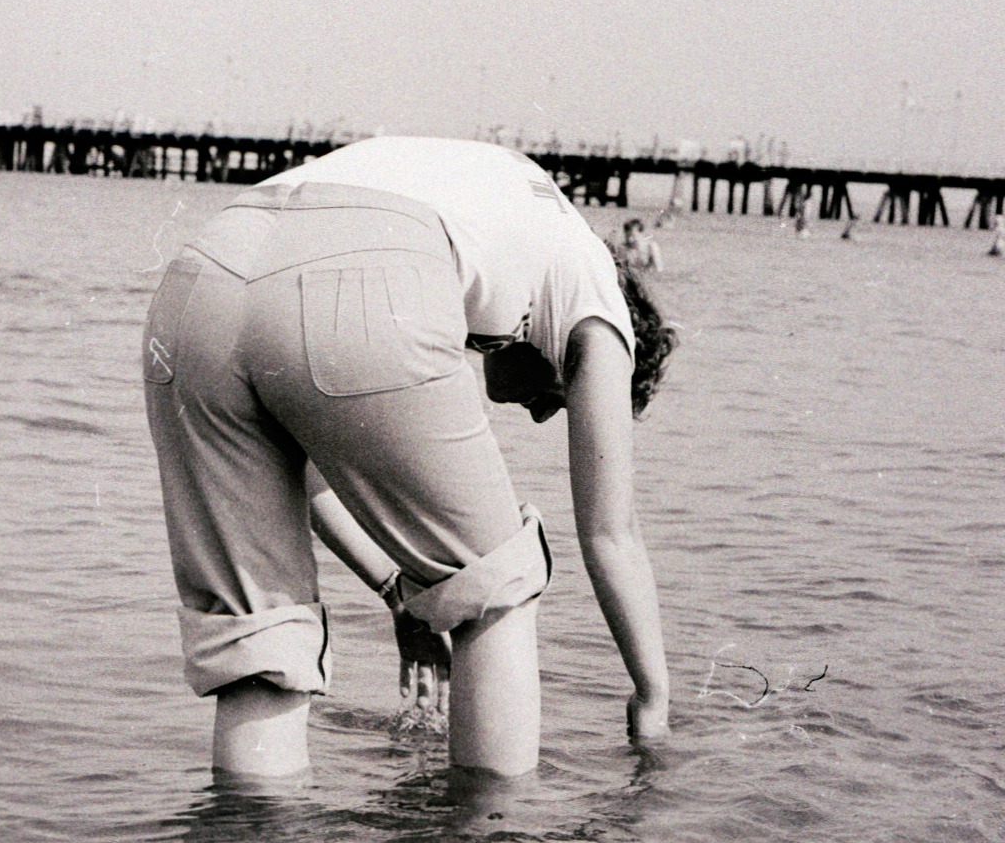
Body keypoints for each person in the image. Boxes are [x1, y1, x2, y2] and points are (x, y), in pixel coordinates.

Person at [142, 136, 677, 780]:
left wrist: (398, 590)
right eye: (560, 402)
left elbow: (306, 477)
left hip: (200, 280)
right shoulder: (600, 299)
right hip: (370, 265)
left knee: (262, 643)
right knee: (497, 593)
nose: (540, 414)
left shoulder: (499, 222)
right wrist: (652, 698)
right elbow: (611, 535)